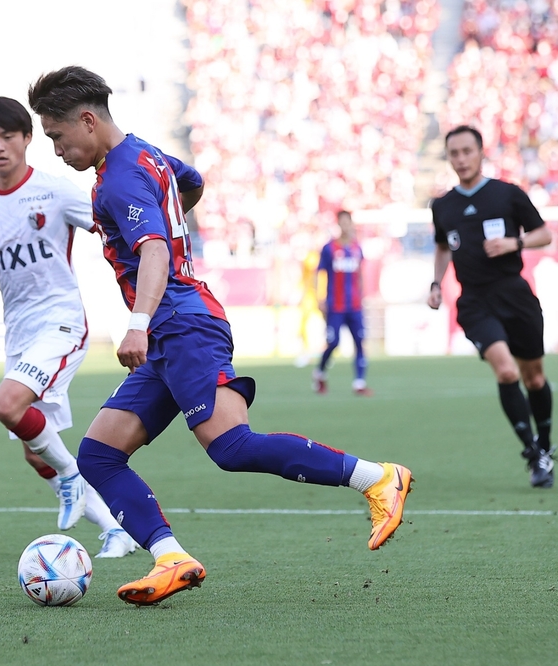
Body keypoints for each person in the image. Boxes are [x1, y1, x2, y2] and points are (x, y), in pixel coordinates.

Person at [28, 65, 413, 606]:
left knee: (231, 447)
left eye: (57, 136)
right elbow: (192, 183)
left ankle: (376, 478)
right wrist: (166, 228)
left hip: (180, 324)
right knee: (98, 455)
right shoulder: (147, 155)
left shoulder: (119, 178)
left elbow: (154, 249)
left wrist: (138, 321)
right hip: (171, 331)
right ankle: (171, 558)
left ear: (88, 121)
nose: (56, 150)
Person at [0, 96, 136, 558]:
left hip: (62, 321)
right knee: (33, 446)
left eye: (7, 136)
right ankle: (115, 529)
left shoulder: (54, 191)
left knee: (7, 404)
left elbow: (111, 227)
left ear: (27, 138)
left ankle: (71, 477)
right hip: (20, 333)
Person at [429, 125, 554, 488]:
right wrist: (436, 283)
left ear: (481, 152)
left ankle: (545, 445)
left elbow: (544, 234)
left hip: (515, 295)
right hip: (474, 301)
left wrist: (515, 243)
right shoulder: (442, 205)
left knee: (534, 377)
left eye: (467, 151)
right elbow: (442, 247)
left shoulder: (507, 194)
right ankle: (533, 452)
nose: (461, 159)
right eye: (454, 153)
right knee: (506, 371)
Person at [312, 210, 372, 396]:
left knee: (360, 341)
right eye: (342, 222)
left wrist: (362, 295)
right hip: (335, 305)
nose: (346, 226)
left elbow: (360, 274)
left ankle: (359, 382)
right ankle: (320, 372)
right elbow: (319, 272)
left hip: (354, 305)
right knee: (333, 342)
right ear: (338, 224)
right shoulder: (329, 248)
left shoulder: (357, 248)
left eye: (348, 222)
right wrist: (319, 298)